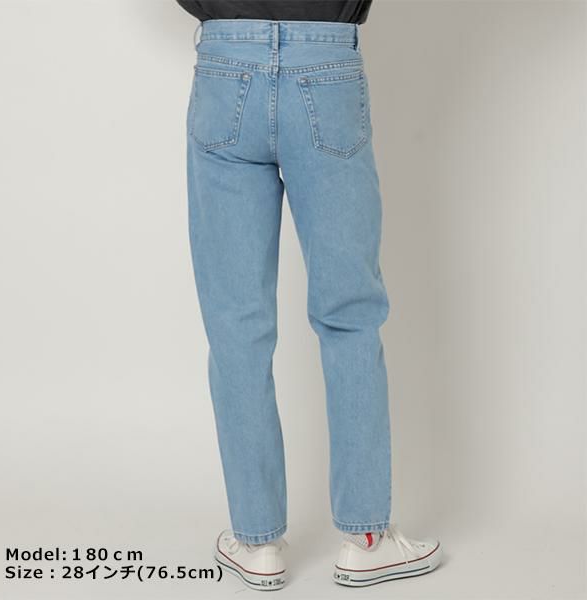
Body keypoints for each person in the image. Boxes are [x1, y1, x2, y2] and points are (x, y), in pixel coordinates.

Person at [177, 0, 443, 590]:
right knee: (350, 315)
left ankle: (256, 543)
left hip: (225, 60)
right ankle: (367, 541)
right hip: (326, 63)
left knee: (236, 325)